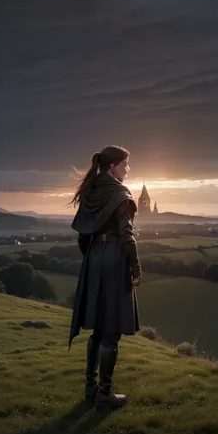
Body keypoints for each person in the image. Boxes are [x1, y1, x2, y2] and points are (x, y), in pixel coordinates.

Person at [68, 145, 141, 410]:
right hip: (113, 259)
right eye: (125, 164)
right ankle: (104, 394)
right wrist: (135, 267)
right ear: (113, 166)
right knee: (110, 328)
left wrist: (93, 258)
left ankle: (90, 388)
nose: (127, 169)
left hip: (94, 257)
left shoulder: (93, 191)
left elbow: (83, 235)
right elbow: (127, 235)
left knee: (98, 326)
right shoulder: (120, 194)